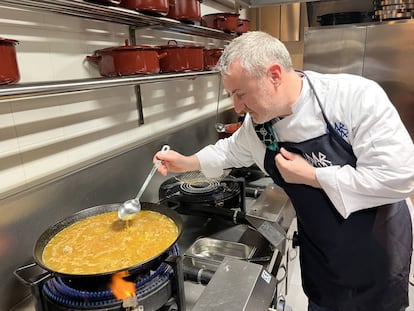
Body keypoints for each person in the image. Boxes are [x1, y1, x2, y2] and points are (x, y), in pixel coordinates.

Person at [154, 31, 414, 311]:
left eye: (241, 94)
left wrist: (314, 177)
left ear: (274, 75)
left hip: (375, 252)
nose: (237, 106)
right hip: (323, 257)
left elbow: (398, 178)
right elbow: (229, 151)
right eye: (232, 95)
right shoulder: (259, 125)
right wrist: (187, 161)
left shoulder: (353, 98)